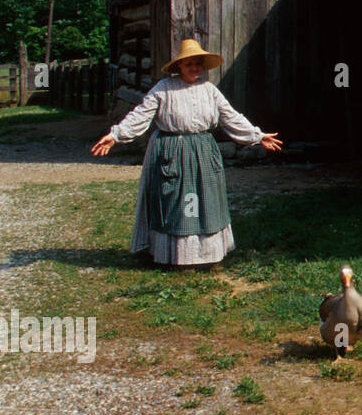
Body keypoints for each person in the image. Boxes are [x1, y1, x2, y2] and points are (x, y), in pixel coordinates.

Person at [90, 39, 283, 267]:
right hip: (172, 151)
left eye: (198, 64)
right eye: (189, 64)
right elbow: (140, 115)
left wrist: (257, 135)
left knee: (205, 201)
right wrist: (115, 135)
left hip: (203, 150)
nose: (194, 68)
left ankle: (206, 256)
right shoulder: (163, 89)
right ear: (179, 66)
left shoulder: (209, 90)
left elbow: (230, 116)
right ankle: (177, 256)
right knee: (177, 203)